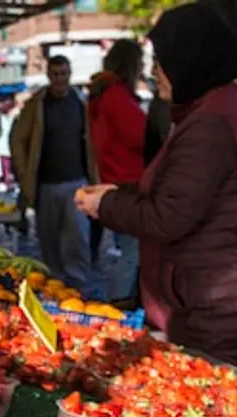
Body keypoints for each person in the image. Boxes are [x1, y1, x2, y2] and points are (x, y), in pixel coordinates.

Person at [77, 0, 237, 380]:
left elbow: (169, 216)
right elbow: (178, 187)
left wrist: (107, 204)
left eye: (162, 60)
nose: (154, 71)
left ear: (190, 60)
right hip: (208, 297)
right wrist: (119, 191)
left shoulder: (211, 122)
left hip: (219, 306)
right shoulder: (212, 109)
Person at [10, 55, 101, 298]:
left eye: (64, 74)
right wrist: (23, 172)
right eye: (55, 74)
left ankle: (77, 286)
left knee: (77, 238)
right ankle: (55, 285)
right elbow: (18, 139)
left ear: (69, 75)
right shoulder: (36, 104)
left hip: (76, 181)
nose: (60, 79)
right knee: (48, 239)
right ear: (49, 76)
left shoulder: (80, 103)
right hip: (45, 184)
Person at [88, 39, 148, 302]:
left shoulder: (102, 92)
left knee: (129, 250)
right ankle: (120, 303)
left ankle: (121, 300)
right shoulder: (116, 95)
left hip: (113, 180)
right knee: (133, 252)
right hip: (126, 183)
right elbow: (142, 135)